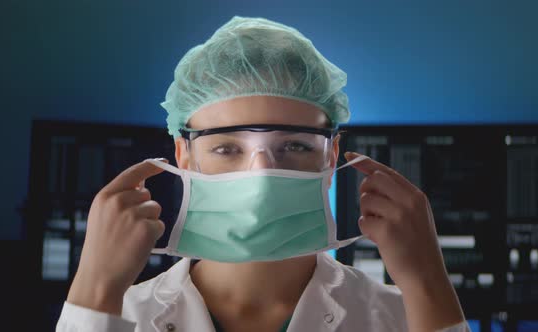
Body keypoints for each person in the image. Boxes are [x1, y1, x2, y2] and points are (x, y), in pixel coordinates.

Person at [56, 16, 470, 332]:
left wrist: (428, 283)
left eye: (294, 146)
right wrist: (93, 291)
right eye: (226, 148)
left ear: (332, 155)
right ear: (183, 154)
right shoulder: (119, 316)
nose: (260, 178)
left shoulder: (405, 317)